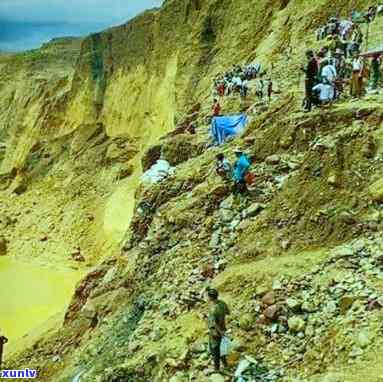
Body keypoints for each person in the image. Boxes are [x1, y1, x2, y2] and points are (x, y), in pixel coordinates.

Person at [207, 288, 230, 372]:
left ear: (210, 297)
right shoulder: (222, 304)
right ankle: (226, 365)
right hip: (223, 328)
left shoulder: (213, 309)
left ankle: (217, 369)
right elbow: (228, 312)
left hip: (215, 333)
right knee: (222, 349)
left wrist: (220, 333)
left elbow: (214, 324)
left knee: (215, 351)